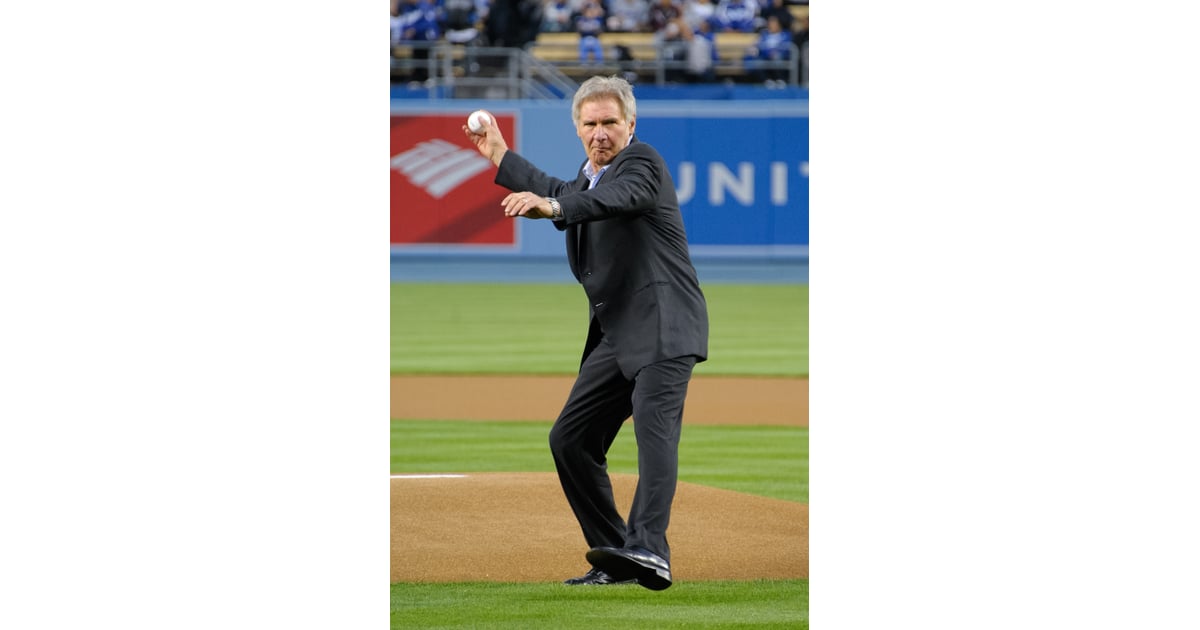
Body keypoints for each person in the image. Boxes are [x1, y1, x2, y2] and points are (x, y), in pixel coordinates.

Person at [462, 75, 709, 591]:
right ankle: (618, 555)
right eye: (591, 123)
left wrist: (552, 209)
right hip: (618, 334)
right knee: (570, 439)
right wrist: (500, 156)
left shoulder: (642, 164)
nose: (601, 133)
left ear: (631, 125)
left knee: (654, 434)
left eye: (610, 123)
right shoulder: (587, 175)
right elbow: (563, 191)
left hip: (663, 325)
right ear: (577, 128)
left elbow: (602, 200)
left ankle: (649, 549)